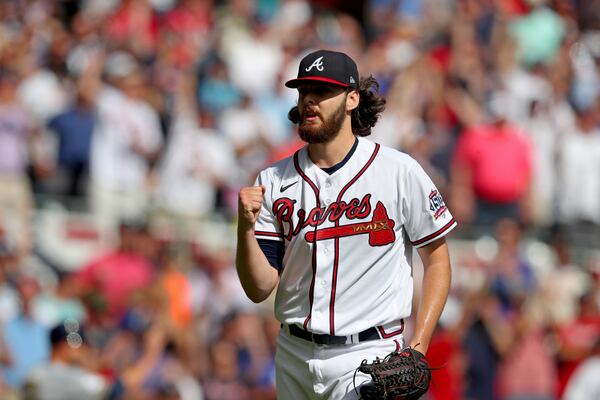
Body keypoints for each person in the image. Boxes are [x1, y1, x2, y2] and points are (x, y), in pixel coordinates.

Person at [236, 49, 456, 399]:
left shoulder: (397, 171)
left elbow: (438, 260)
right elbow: (260, 288)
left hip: (368, 356)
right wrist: (244, 230)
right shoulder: (273, 179)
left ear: (352, 98)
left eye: (323, 92)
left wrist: (418, 344)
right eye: (304, 91)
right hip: (293, 354)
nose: (310, 101)